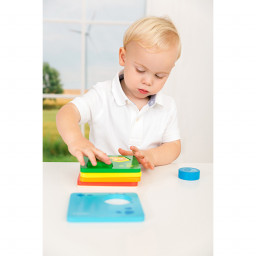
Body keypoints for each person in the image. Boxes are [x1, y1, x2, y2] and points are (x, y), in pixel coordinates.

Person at [56, 16, 181, 170]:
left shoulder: (167, 106)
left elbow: (174, 145)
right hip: (104, 180)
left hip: (147, 182)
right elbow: (67, 113)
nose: (148, 81)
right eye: (140, 70)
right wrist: (76, 140)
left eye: (159, 76)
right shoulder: (102, 94)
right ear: (123, 57)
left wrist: (153, 156)